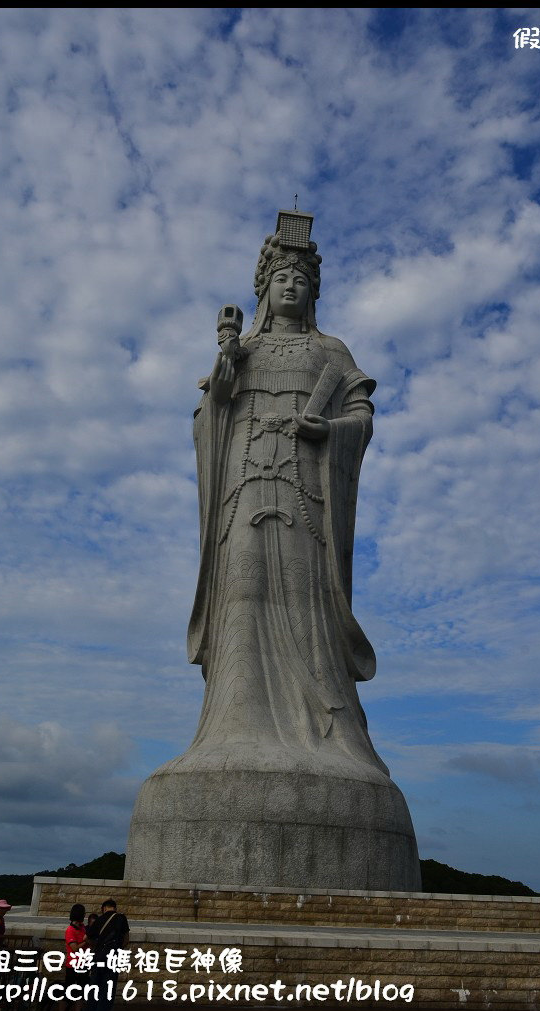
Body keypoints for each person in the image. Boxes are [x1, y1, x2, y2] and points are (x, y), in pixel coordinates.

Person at [187, 218, 388, 776]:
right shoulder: (244, 350)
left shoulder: (331, 351)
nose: (291, 286)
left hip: (306, 500)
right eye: (281, 277)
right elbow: (210, 414)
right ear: (264, 290)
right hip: (246, 494)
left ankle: (325, 732)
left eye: (301, 278)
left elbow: (361, 414)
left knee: (305, 602)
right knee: (244, 599)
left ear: (314, 291)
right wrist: (226, 358)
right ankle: (233, 730)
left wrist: (331, 432)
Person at [84, 899, 130, 1011]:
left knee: (93, 990)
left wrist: (97, 946)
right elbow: (126, 938)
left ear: (104, 908)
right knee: (107, 993)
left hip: (98, 960)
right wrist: (118, 948)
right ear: (115, 908)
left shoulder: (98, 920)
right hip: (112, 960)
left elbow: (87, 938)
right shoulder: (121, 918)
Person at [60, 903, 87, 1011]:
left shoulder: (82, 928)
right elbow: (74, 948)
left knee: (80, 992)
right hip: (73, 965)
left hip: (83, 963)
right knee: (68, 992)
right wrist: (86, 941)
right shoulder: (70, 930)